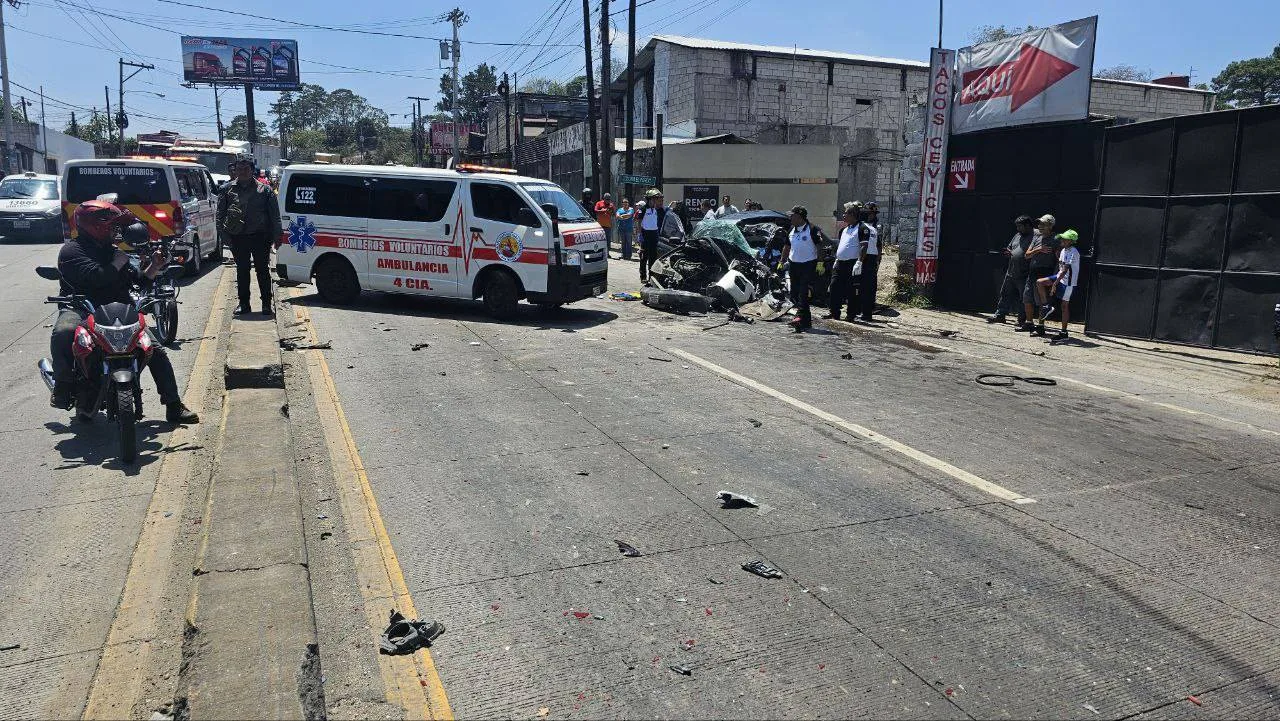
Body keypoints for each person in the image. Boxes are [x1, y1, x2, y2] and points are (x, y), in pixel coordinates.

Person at [50, 200, 200, 424]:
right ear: (94, 226)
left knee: (155, 351)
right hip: (82, 308)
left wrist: (154, 266)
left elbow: (137, 281)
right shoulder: (72, 251)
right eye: (111, 225)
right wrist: (118, 262)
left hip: (118, 311)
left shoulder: (112, 250)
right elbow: (97, 278)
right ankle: (63, 385)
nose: (115, 230)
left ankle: (173, 405)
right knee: (64, 331)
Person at [218, 152, 281, 316]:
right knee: (242, 271)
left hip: (261, 237)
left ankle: (267, 304)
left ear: (252, 170)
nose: (242, 172)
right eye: (239, 169)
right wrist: (224, 238)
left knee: (262, 271)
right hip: (238, 237)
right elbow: (220, 216)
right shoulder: (226, 190)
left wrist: (277, 236)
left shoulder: (265, 190)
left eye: (245, 169)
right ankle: (244, 304)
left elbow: (275, 215)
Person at [1034, 229, 1081, 343]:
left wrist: (1055, 284)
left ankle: (1064, 333)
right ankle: (1046, 306)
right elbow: (1061, 268)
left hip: (1068, 283)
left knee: (1064, 306)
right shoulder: (1064, 250)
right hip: (1059, 277)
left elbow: (1065, 270)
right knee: (1039, 282)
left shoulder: (1073, 252)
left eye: (1064, 238)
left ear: (1070, 241)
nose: (1062, 240)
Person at [987, 215, 1034, 324]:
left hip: (1024, 272)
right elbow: (1010, 247)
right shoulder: (1017, 235)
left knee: (1024, 297)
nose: (1018, 229)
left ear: (1027, 226)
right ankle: (1000, 315)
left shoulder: (1035, 235)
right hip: (1011, 271)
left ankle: (1022, 319)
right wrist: (1008, 251)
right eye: (1017, 226)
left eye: (1020, 226)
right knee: (1005, 293)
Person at [780, 205, 820, 331]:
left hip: (808, 264)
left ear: (800, 217)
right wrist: (782, 261)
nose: (790, 218)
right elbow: (787, 246)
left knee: (803, 292)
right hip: (794, 265)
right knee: (795, 293)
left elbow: (820, 246)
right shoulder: (792, 229)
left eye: (792, 216)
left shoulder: (812, 229)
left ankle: (799, 318)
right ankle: (806, 321)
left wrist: (820, 263)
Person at [826, 201, 865, 320]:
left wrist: (859, 262)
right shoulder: (843, 230)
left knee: (851, 290)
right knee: (834, 287)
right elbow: (841, 246)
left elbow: (864, 246)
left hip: (852, 263)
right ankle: (834, 312)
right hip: (840, 263)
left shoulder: (862, 228)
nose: (843, 215)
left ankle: (850, 314)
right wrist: (837, 259)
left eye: (846, 213)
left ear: (853, 215)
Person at [637, 188, 685, 282]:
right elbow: (639, 222)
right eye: (655, 198)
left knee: (653, 257)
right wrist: (640, 235)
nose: (657, 200)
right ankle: (643, 276)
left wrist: (674, 206)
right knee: (644, 257)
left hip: (654, 235)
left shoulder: (657, 209)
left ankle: (651, 276)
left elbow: (668, 210)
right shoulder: (643, 209)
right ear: (650, 199)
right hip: (645, 235)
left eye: (658, 199)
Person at [1021, 214, 1058, 332]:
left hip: (1044, 273)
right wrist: (1039, 249)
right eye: (1039, 224)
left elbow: (1059, 259)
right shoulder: (1036, 237)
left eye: (1043, 224)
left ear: (1050, 226)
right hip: (1032, 272)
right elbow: (1027, 255)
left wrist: (1055, 278)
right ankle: (1029, 323)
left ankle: (1041, 326)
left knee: (1042, 300)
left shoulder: (1055, 239)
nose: (1040, 226)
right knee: (1027, 298)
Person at [856, 202, 882, 322]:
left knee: (869, 286)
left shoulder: (877, 227)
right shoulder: (860, 225)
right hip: (861, 256)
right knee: (858, 285)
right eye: (869, 213)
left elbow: (878, 245)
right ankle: (858, 308)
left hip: (871, 257)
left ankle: (868, 309)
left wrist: (878, 261)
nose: (871, 215)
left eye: (873, 213)